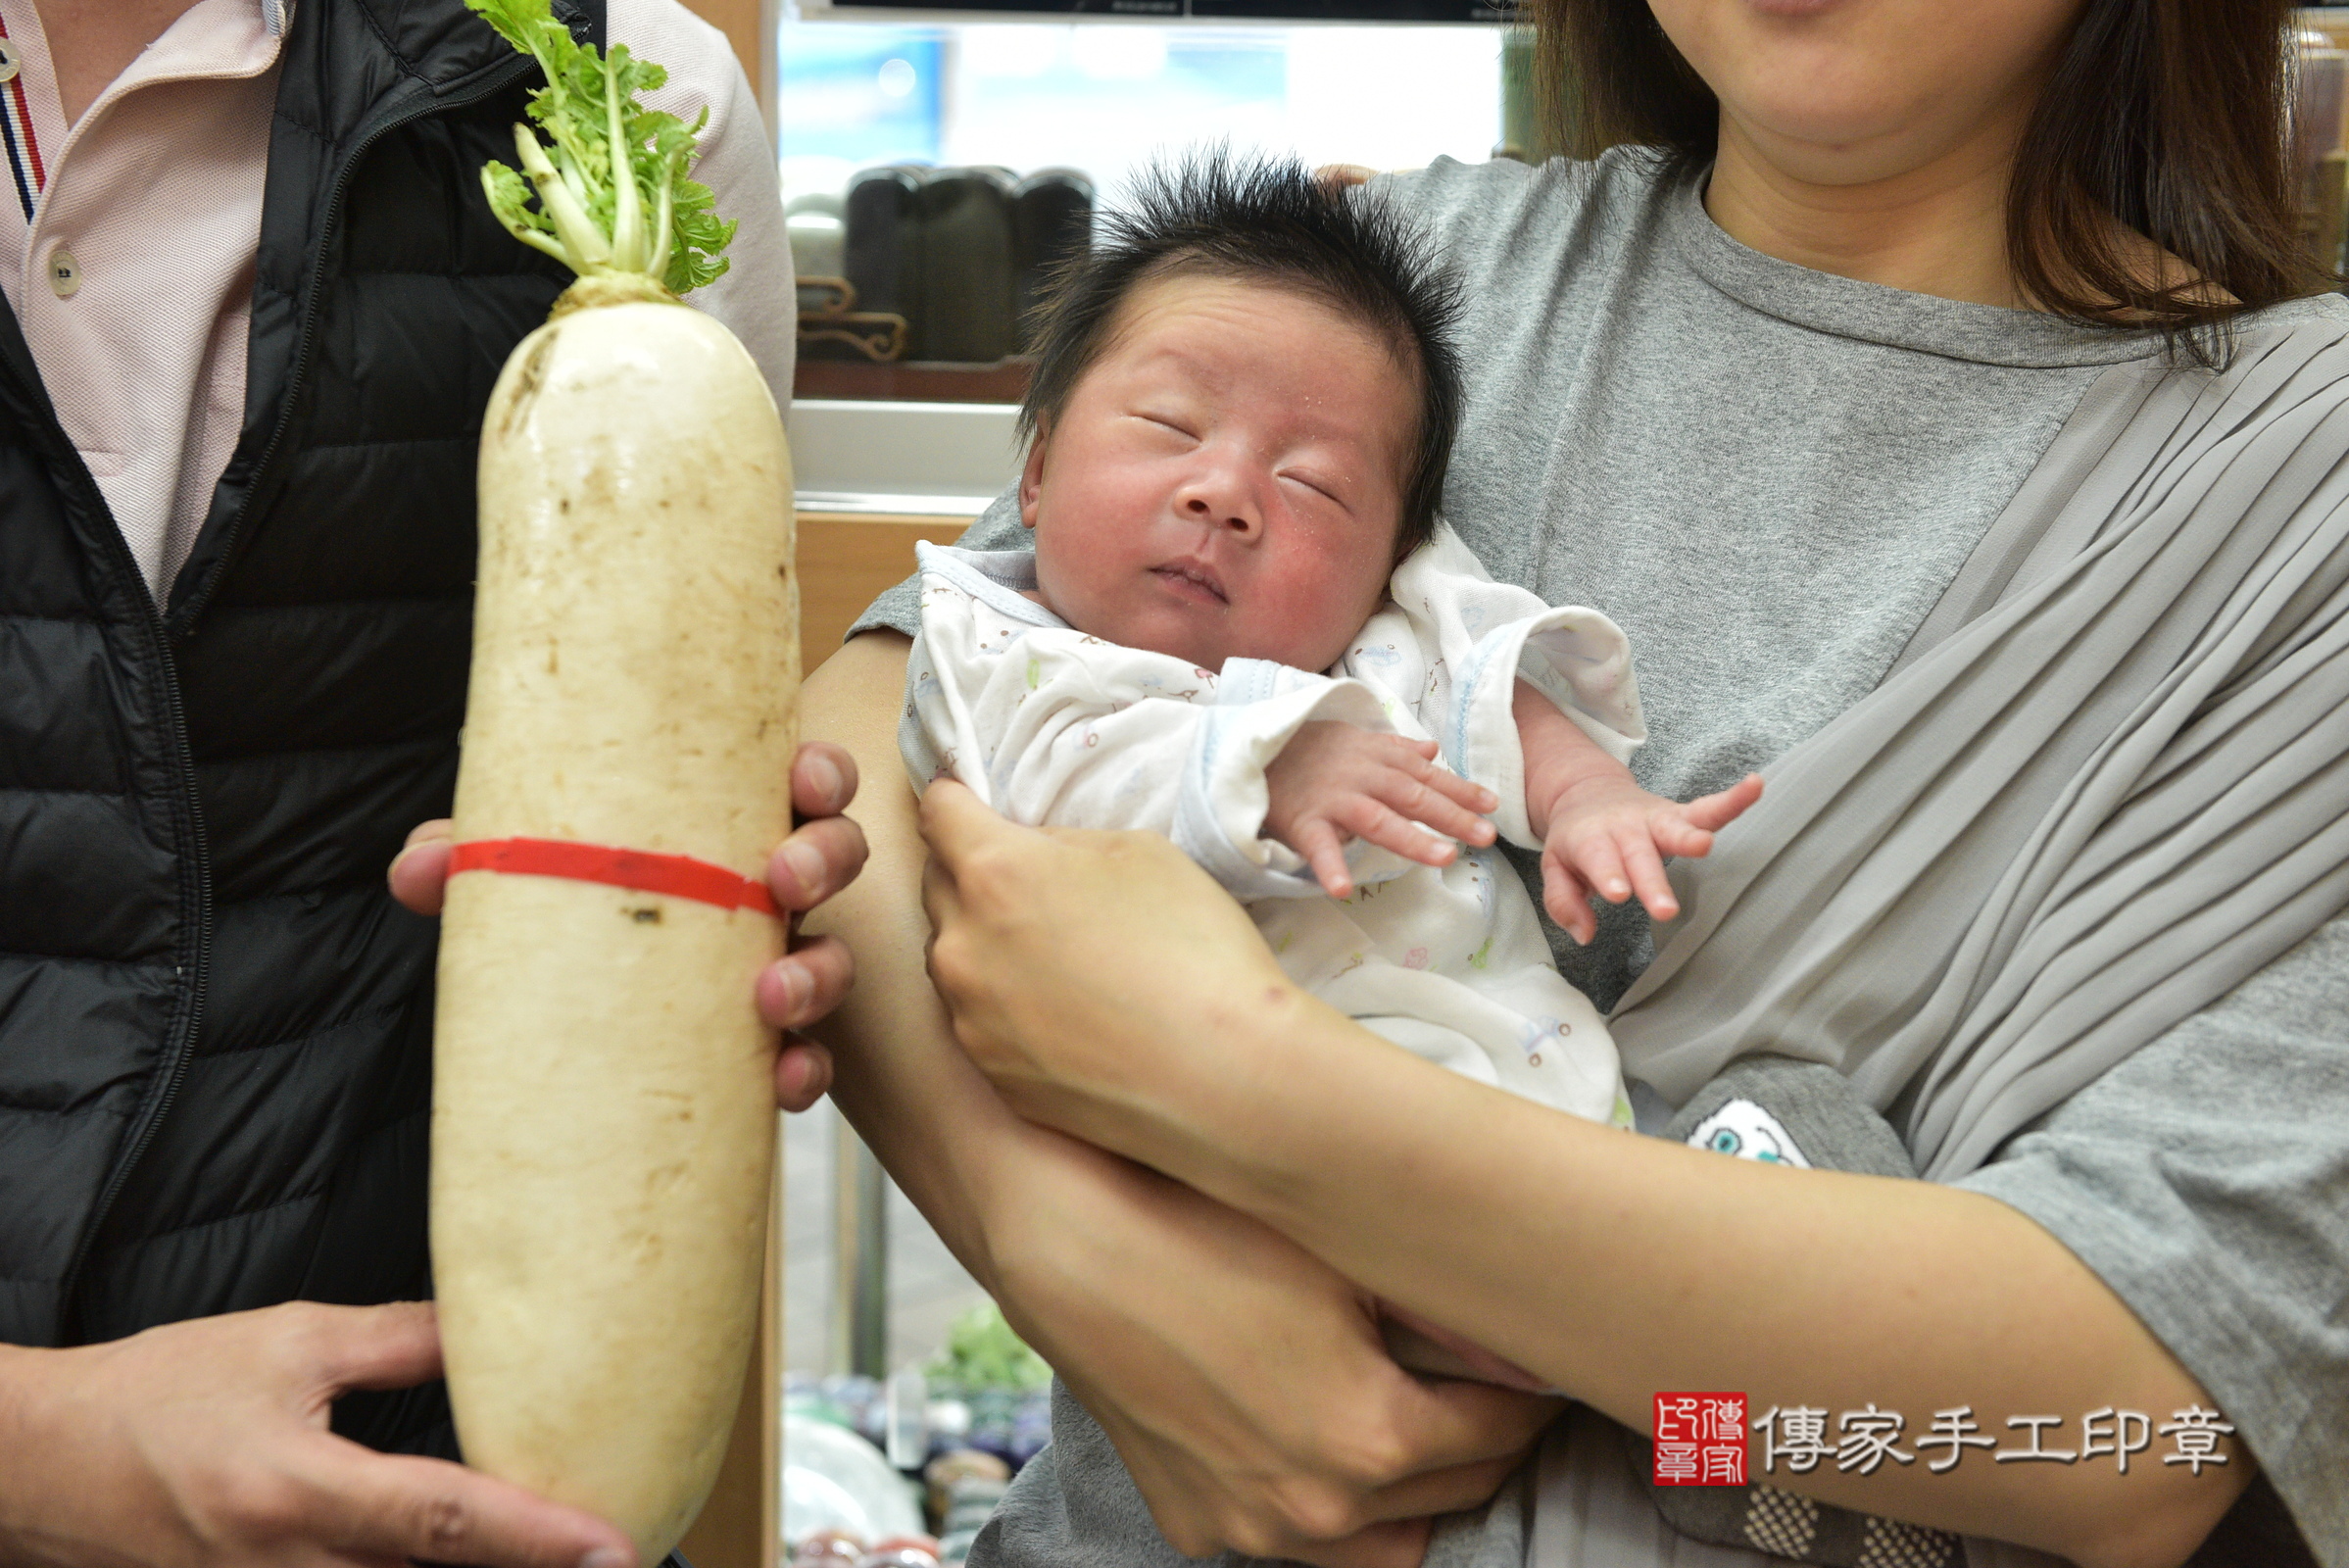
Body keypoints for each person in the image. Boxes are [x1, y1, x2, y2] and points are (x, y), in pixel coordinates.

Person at [802, 0, 2349, 1564]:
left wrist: (1238, 1084)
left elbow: (2128, 1437)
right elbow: (901, 702)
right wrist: (1070, 1257)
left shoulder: (2298, 488)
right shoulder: (1389, 291)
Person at [0, 4, 864, 1566]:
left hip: (427, 1462)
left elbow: (669, 678)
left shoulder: (624, 91)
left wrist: (702, 893)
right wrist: (35, 1451)